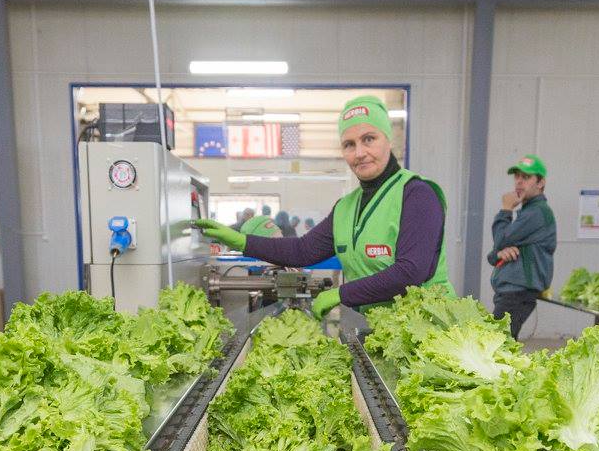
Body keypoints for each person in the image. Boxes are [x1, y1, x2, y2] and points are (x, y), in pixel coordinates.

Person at [192, 95, 450, 319]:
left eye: (369, 139)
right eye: (349, 144)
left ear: (388, 140)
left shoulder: (417, 194)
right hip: (378, 328)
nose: (359, 153)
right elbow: (302, 251)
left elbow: (410, 272)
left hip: (425, 330)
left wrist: (341, 293)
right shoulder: (346, 208)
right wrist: (240, 241)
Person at [488, 154, 557, 337]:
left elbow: (500, 240)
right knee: (500, 342)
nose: (519, 181)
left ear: (541, 183)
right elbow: (497, 249)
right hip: (512, 293)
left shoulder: (537, 213)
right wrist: (497, 254)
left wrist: (505, 209)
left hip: (517, 293)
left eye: (526, 177)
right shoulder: (529, 212)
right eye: (517, 176)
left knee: (497, 342)